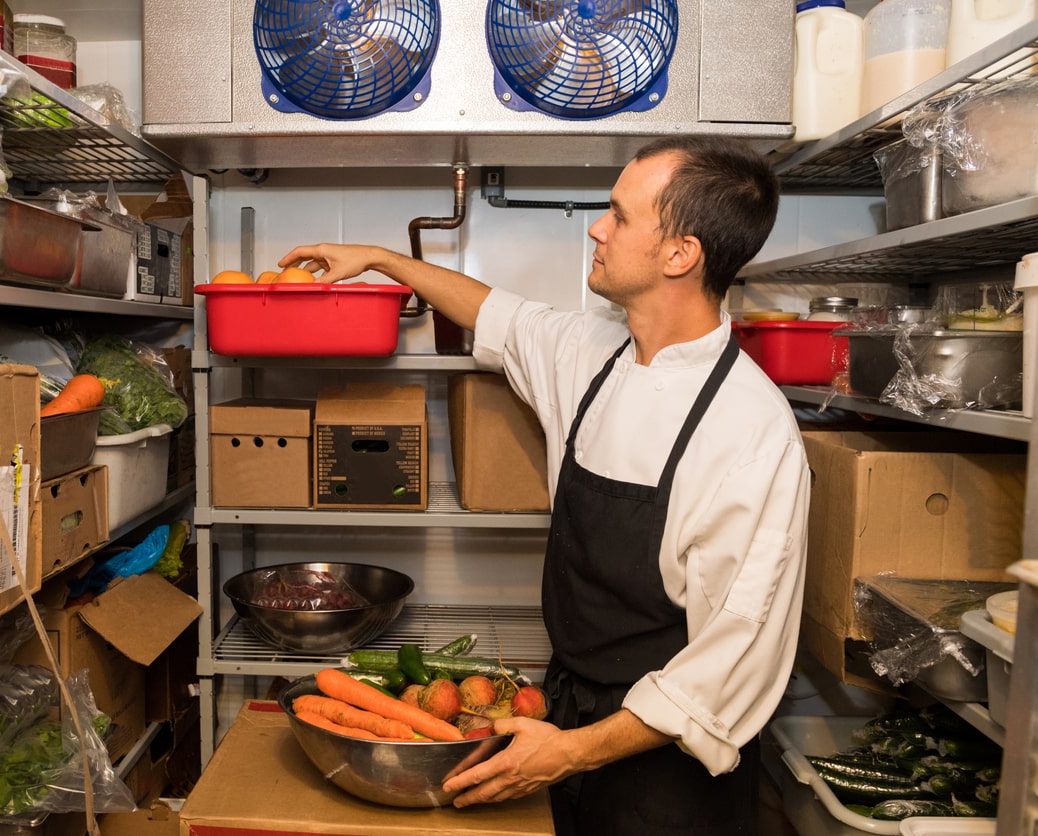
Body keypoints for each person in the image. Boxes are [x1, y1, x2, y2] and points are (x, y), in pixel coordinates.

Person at [280, 134, 810, 835]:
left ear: (680, 254)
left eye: (619, 215)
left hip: (667, 772)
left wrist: (575, 752)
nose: (597, 225)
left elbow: (732, 662)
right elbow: (495, 311)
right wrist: (381, 259)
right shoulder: (594, 353)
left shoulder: (750, 431)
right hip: (561, 721)